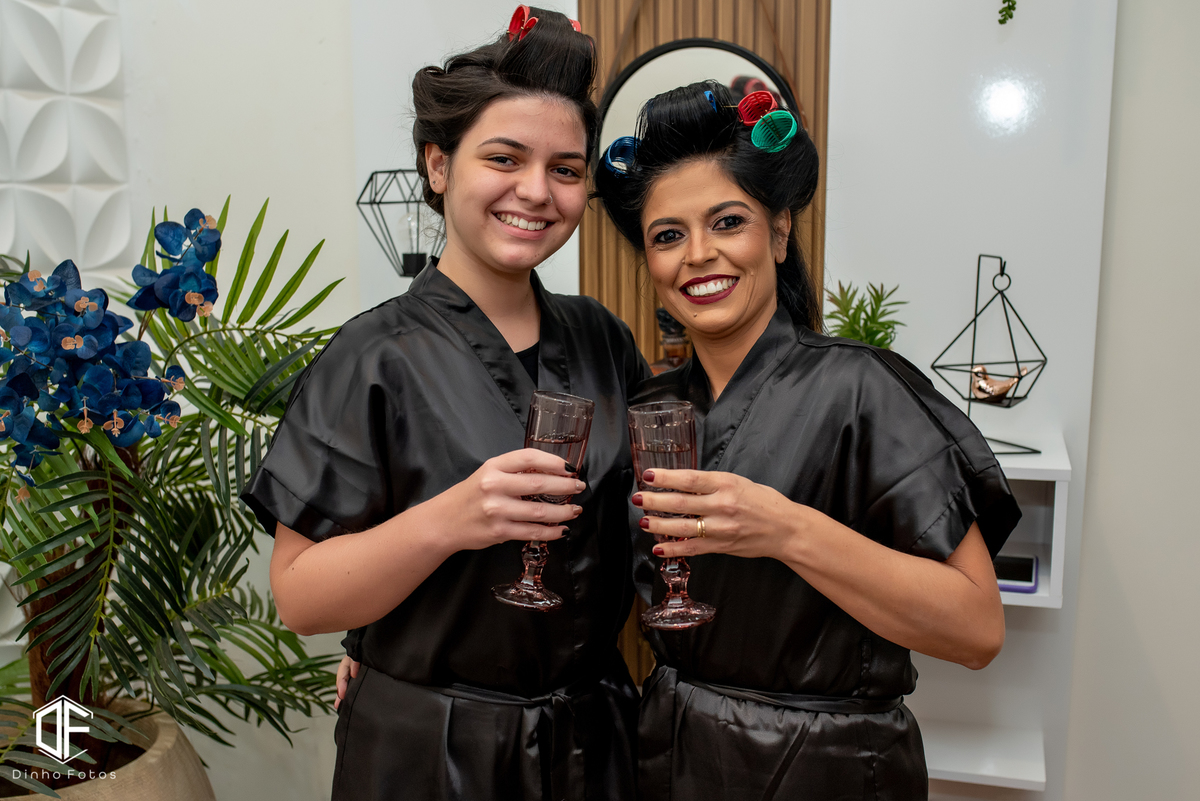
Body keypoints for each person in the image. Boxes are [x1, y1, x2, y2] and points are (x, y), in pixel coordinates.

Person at [241, 10, 648, 800]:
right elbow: (300, 596)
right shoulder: (372, 356)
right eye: (504, 158)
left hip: (591, 744)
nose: (537, 191)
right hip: (430, 752)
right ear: (438, 164)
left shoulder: (603, 339)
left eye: (566, 169)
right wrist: (452, 518)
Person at [593, 81, 1022, 800]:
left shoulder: (863, 388)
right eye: (667, 235)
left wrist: (785, 530)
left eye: (728, 222)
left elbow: (976, 629)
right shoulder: (652, 410)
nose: (698, 254)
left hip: (832, 767)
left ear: (780, 230)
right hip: (673, 758)